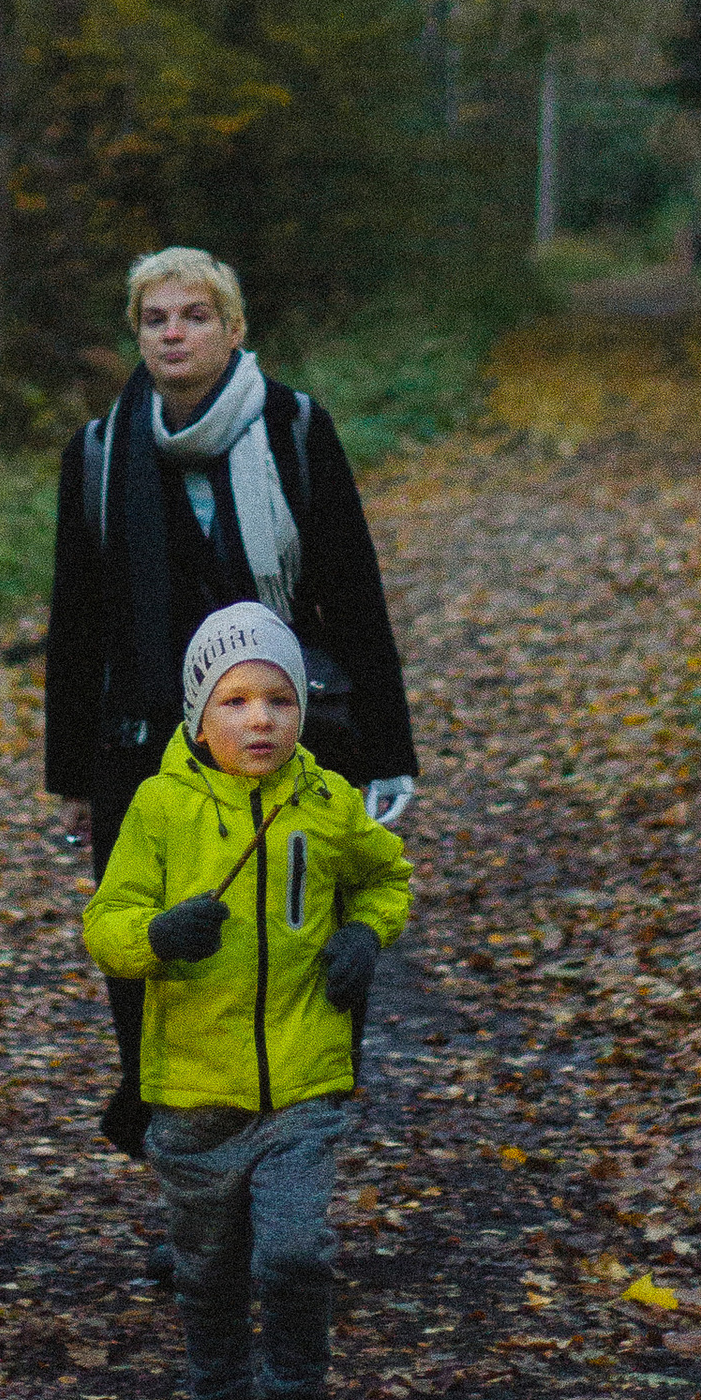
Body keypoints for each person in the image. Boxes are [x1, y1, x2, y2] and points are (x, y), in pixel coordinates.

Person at [44, 245, 420, 1154]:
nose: (173, 333)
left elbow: (353, 594)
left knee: (302, 945)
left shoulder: (293, 430)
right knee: (160, 959)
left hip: (283, 732)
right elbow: (78, 624)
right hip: (144, 750)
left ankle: (291, 1147)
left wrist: (388, 750)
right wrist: (73, 778)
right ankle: (191, 1177)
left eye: (195, 316)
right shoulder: (98, 454)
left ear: (235, 329)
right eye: (156, 319)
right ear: (138, 335)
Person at [83, 602, 411, 1400]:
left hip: (304, 1080)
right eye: (235, 701)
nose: (260, 719)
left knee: (297, 1256)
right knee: (209, 1277)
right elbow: (105, 927)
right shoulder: (159, 808)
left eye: (279, 698)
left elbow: (388, 875)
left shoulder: (328, 801)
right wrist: (158, 935)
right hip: (192, 1092)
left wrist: (366, 937)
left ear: (304, 709)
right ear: (198, 712)